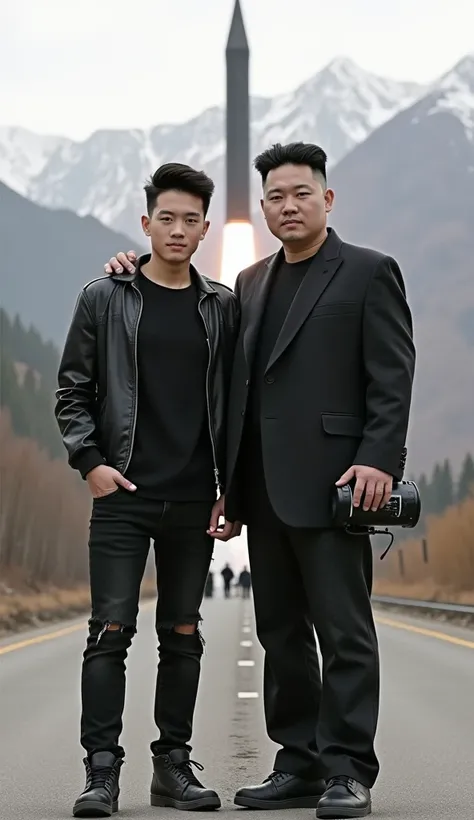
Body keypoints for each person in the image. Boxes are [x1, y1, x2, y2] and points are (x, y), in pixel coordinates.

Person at [102, 141, 416, 819]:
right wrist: (233, 490)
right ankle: (299, 764)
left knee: (345, 634)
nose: (287, 205)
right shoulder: (251, 283)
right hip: (266, 491)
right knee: (281, 633)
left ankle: (349, 771)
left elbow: (392, 378)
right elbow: (239, 391)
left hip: (339, 489)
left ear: (326, 199)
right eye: (275, 196)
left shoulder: (367, 272)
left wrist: (379, 459)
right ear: (264, 208)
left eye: (301, 193)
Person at [55, 162, 240, 818]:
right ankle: (101, 773)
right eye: (167, 217)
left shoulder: (221, 307)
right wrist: (90, 462)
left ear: (205, 228)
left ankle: (173, 769)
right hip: (122, 496)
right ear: (146, 223)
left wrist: (229, 488)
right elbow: (73, 388)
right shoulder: (105, 297)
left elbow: (235, 403)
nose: (179, 229)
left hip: (193, 497)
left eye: (192, 219)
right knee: (110, 630)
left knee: (183, 634)